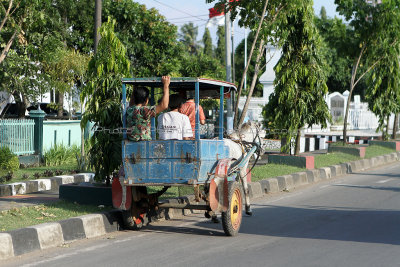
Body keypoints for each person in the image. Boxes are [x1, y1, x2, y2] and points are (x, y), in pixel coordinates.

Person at [126, 76, 170, 141]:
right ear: (146, 100)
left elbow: (132, 103)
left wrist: (135, 88)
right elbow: (164, 106)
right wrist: (166, 86)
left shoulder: (130, 110)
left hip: (131, 141)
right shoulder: (144, 110)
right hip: (144, 143)